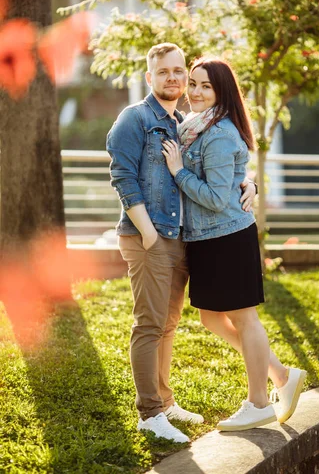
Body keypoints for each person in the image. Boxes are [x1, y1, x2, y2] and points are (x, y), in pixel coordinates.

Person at [106, 43, 256, 443]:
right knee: (149, 324)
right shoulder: (134, 118)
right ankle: (149, 413)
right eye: (165, 72)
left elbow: (217, 165)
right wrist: (150, 234)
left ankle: (165, 401)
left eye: (179, 72)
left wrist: (248, 183)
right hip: (148, 237)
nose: (174, 79)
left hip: (181, 239)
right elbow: (123, 177)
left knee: (168, 325)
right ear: (149, 77)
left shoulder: (186, 124)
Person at [162, 58, 307, 431]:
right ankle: (280, 374)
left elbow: (213, 197)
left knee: (244, 318)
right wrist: (249, 182)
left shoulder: (219, 132)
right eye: (192, 83)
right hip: (206, 238)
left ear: (221, 92)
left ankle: (258, 402)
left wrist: (178, 172)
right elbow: (233, 176)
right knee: (211, 317)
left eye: (204, 86)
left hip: (227, 236)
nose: (194, 91)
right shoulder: (194, 126)